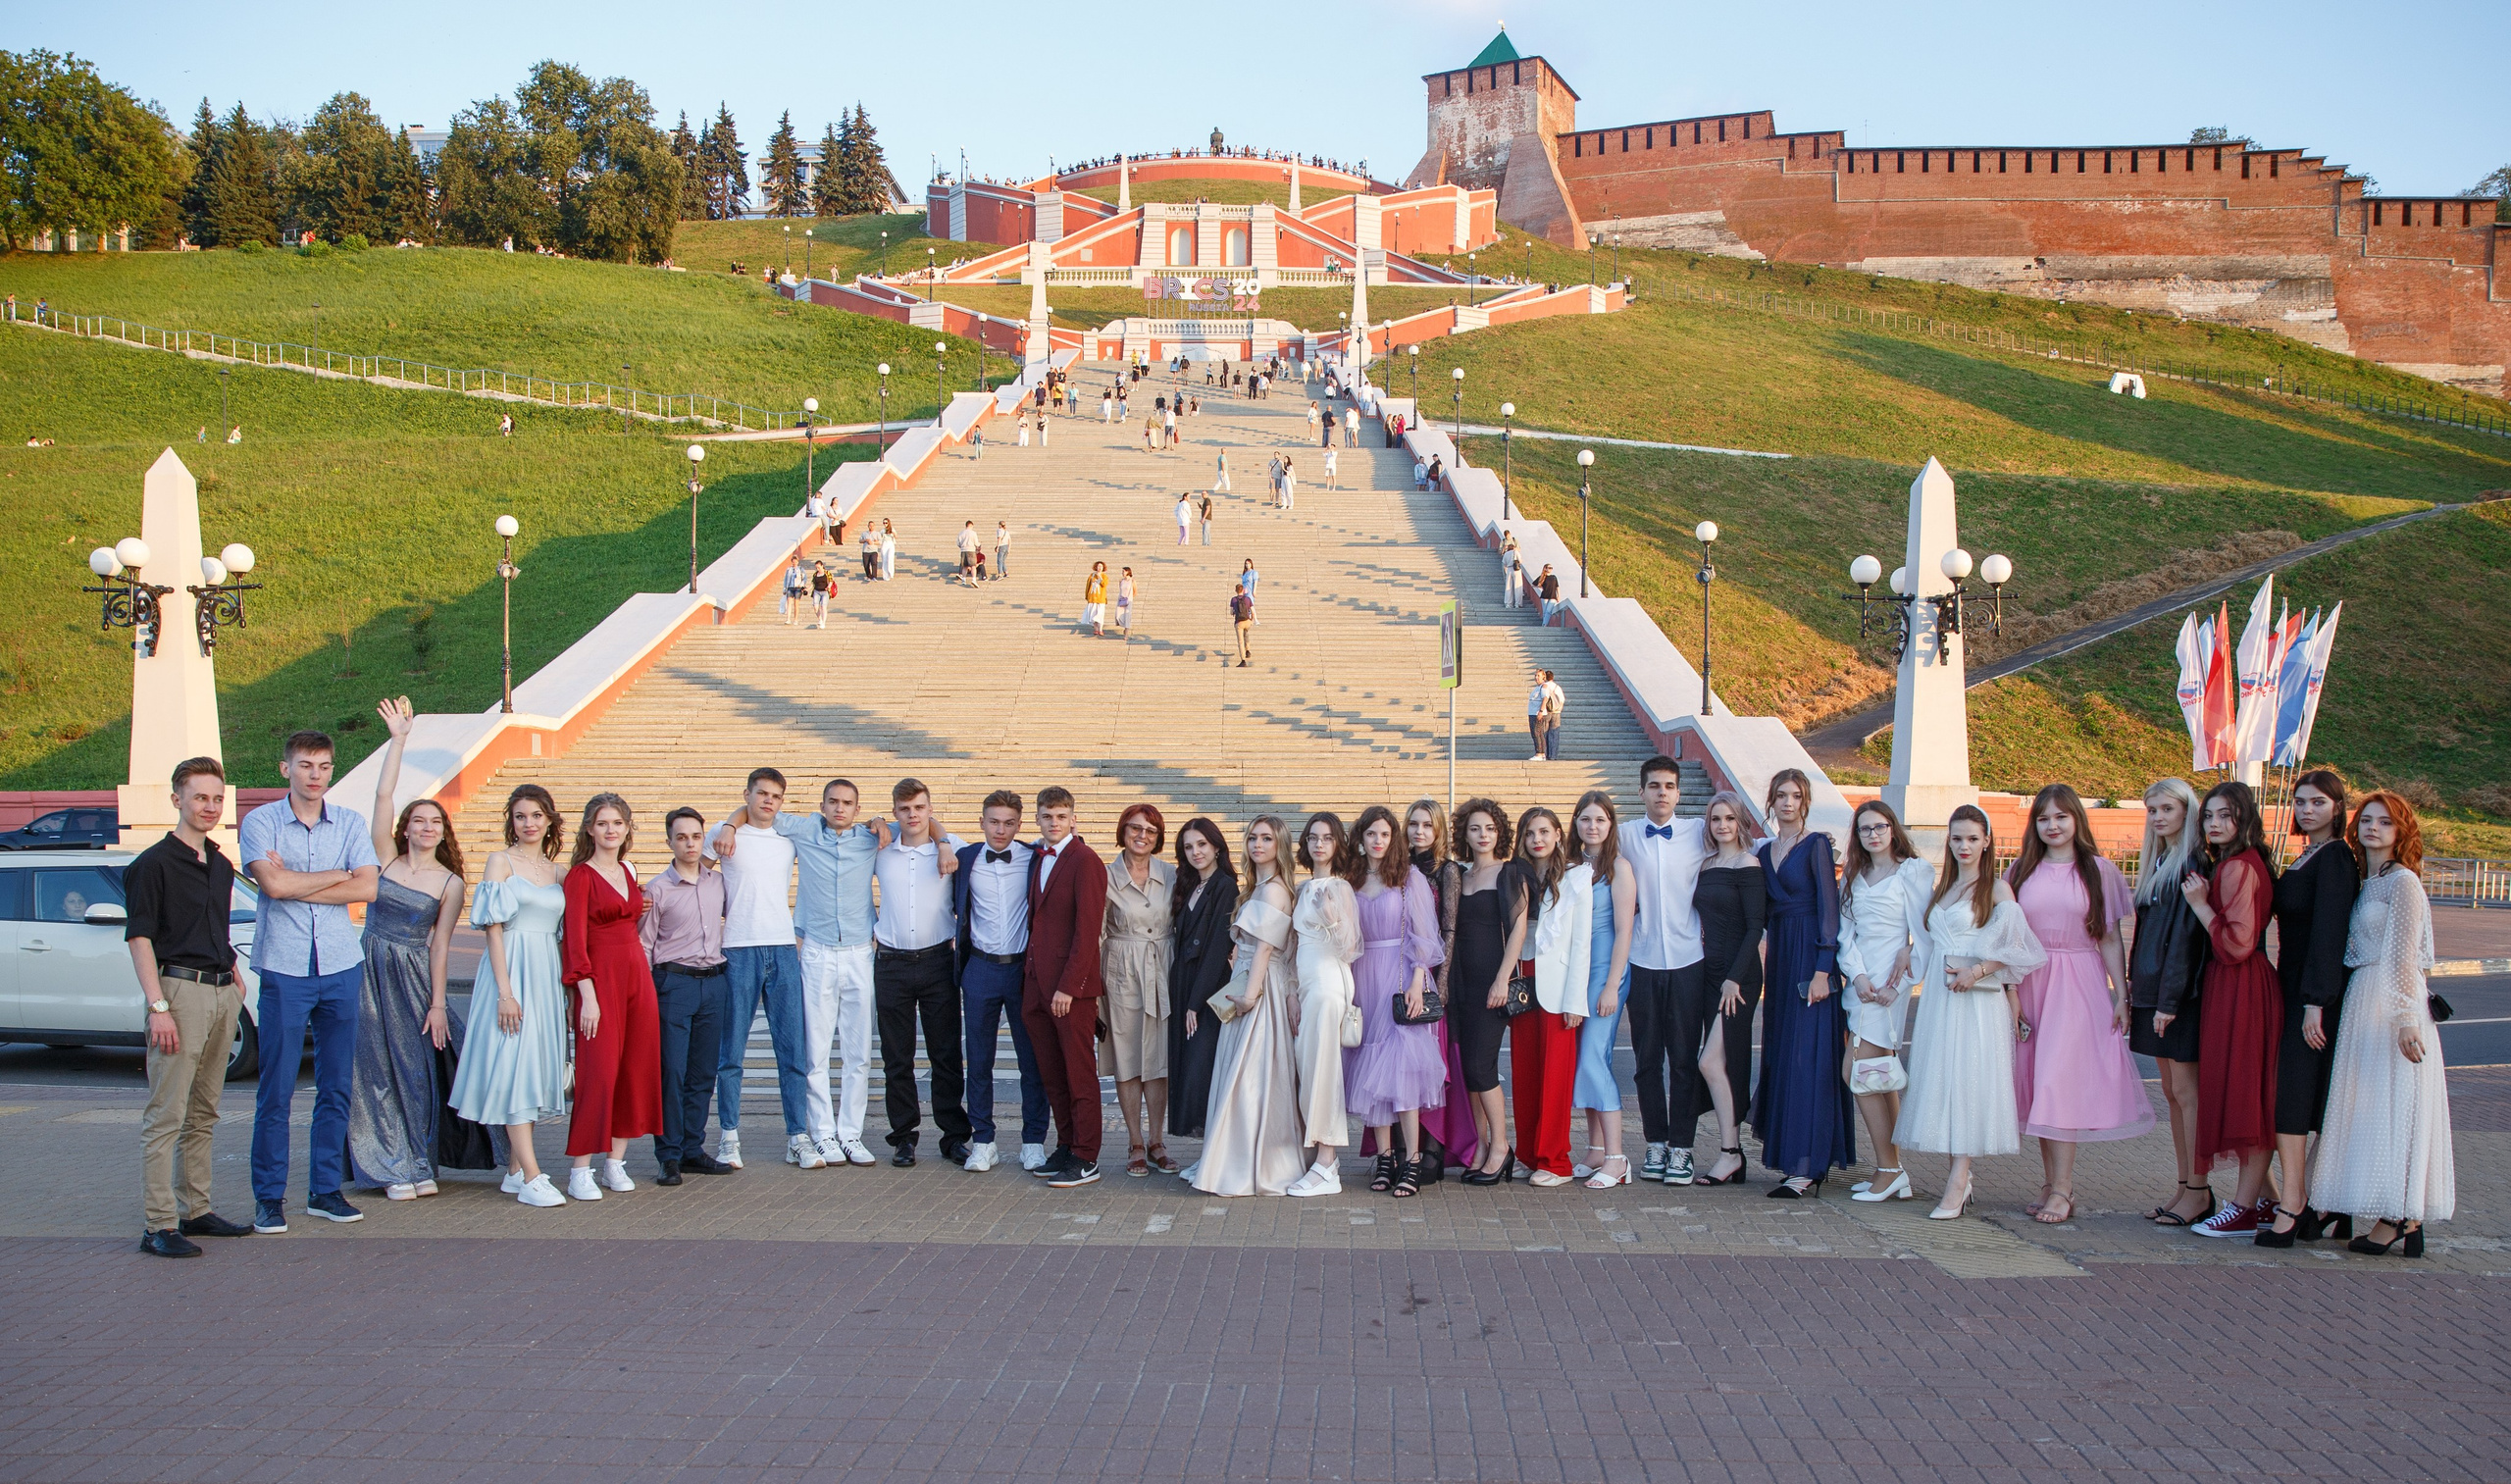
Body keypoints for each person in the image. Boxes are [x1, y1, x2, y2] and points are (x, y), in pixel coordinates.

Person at [238, 730, 381, 1234]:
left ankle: (325, 1191)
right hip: (284, 965)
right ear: (286, 769)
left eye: (323, 766)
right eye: (305, 765)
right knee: (276, 1089)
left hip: (340, 964)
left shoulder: (350, 822)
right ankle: (269, 1198)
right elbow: (273, 885)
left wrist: (299, 882)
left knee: (336, 1086)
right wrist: (337, 874)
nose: (315, 775)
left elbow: (368, 887)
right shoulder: (261, 822)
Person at [715, 776, 895, 1168]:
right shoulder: (803, 828)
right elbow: (756, 810)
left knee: (858, 1053)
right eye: (833, 801)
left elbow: (921, 824)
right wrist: (729, 824)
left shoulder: (870, 837)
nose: (839, 808)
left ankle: (851, 1134)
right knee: (814, 1051)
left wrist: (887, 823)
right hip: (815, 951)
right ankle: (822, 1134)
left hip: (859, 952)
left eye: (847, 803)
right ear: (822, 804)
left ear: (857, 809)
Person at [351, 697, 487, 1203]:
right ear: (405, 828)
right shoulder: (385, 859)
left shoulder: (449, 883)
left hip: (412, 978)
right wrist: (399, 740)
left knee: (414, 1073)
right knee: (373, 1073)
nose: (428, 828)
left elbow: (441, 946)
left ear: (442, 832)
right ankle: (388, 1167)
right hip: (368, 970)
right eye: (420, 820)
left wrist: (437, 1004)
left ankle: (418, 1161)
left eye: (436, 822)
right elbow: (383, 795)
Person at [2311, 791, 2455, 1257]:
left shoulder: (2403, 883)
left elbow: (2407, 958)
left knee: (2396, 1106)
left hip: (2393, 1004)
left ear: (2401, 832)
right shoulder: (2370, 881)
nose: (2374, 828)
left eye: (2386, 822)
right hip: (2363, 998)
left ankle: (2400, 1216)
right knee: (2367, 1109)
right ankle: (2386, 1212)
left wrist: (2406, 1019)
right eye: (2368, 820)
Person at [2005, 784, 2147, 1224]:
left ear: (2076, 820)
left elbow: (2109, 938)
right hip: (2031, 980)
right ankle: (2050, 1182)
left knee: (2058, 1084)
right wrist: (2009, 989)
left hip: (2077, 984)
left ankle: (2063, 1189)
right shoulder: (2019, 871)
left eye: (2061, 817)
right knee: (2037, 1084)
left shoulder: (2099, 871)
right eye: (2043, 818)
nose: (2052, 826)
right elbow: (2006, 935)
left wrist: (2121, 995)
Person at [1896, 804, 2045, 1218]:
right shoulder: (1943, 888)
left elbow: (2019, 948)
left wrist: (1976, 971)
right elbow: (1930, 941)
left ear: (1987, 841)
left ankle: (1958, 1180)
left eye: (1973, 838)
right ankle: (1959, 1174)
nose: (1964, 846)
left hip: (1977, 999)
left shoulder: (1997, 890)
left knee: (1968, 1081)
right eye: (1957, 838)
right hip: (1940, 998)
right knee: (1945, 1079)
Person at [128, 757, 251, 1256]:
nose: (210, 806)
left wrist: (234, 973)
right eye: (200, 797)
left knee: (204, 1112)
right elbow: (139, 938)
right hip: (178, 993)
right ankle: (158, 1225)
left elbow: (214, 925)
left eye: (217, 798)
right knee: (167, 1115)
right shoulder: (152, 865)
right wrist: (157, 1005)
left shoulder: (219, 864)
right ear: (176, 800)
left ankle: (195, 1210)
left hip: (223, 993)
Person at [450, 785, 571, 1206]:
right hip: (510, 971)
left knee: (533, 1066)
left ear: (549, 820)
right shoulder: (500, 861)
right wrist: (505, 992)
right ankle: (534, 1177)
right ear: (512, 822)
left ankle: (516, 1171)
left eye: (536, 815)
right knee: (514, 1063)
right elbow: (493, 929)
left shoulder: (558, 872)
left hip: (546, 974)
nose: (529, 823)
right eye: (521, 816)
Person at [2260, 768, 2360, 1246]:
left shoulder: (2336, 856)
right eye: (2300, 802)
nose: (2306, 810)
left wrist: (2315, 1002)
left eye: (2318, 802)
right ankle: (2323, 1201)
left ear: (2338, 808)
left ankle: (2295, 1202)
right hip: (2294, 984)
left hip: (2314, 993)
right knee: (2298, 1096)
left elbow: (2329, 933)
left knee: (2295, 1098)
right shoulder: (2310, 853)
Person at [2181, 780, 2280, 1237]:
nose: (2215, 823)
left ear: (2244, 818)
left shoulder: (2238, 866)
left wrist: (2200, 905)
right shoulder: (2243, 861)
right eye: (2209, 816)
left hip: (2241, 984)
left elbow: (2236, 945)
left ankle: (2244, 1208)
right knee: (2247, 1092)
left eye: (2225, 815)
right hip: (2240, 984)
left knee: (2245, 1096)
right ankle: (2265, 1200)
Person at [1189, 816, 1306, 1197]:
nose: (1258, 844)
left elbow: (1266, 950)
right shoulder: (1260, 888)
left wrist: (1250, 996)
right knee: (1244, 1073)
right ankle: (1231, 1157)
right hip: (1249, 980)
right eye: (1253, 838)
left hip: (1260, 989)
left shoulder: (1273, 890)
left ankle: (1246, 1163)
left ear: (1279, 844)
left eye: (1267, 839)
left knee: (1251, 1075)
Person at [560, 794, 663, 1202]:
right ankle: (579, 1169)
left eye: (617, 823)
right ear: (589, 828)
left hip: (637, 974)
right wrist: (586, 995)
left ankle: (615, 1162)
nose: (610, 830)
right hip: (599, 979)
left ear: (627, 828)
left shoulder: (628, 869)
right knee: (598, 1073)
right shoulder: (580, 876)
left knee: (635, 1068)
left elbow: (631, 922)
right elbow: (575, 940)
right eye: (602, 823)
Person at [1753, 769, 1850, 1197]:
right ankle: (1792, 1157)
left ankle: (1807, 1165)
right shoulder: (1764, 851)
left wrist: (1824, 970)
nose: (1788, 803)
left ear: (1805, 802)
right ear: (1771, 801)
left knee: (1808, 1060)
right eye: (1781, 795)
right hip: (1780, 959)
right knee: (1783, 1055)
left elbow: (1830, 909)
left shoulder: (1816, 846)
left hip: (1811, 959)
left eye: (1795, 796)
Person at [1342, 805, 1446, 1198]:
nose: (1378, 840)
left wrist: (1418, 982)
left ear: (1394, 838)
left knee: (1400, 1068)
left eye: (1385, 834)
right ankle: (1384, 1159)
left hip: (1399, 978)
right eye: (1371, 833)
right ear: (1360, 837)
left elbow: (1425, 935)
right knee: (1371, 1066)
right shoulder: (1349, 879)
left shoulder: (1408, 878)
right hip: (1362, 976)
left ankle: (1412, 1159)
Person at [873, 779, 975, 1167]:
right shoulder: (880, 848)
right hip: (892, 963)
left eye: (919, 808)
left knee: (945, 1055)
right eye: (904, 809)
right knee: (896, 1057)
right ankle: (903, 1138)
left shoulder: (953, 847)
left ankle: (954, 1137)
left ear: (930, 809)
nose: (912, 815)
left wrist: (943, 841)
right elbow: (862, 826)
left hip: (937, 962)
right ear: (895, 813)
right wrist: (874, 821)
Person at [1834, 799, 1930, 1203]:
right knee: (1879, 1075)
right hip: (1860, 985)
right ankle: (1892, 1169)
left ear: (1893, 829)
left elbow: (1924, 935)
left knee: (1857, 1072)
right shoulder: (1854, 875)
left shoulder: (1912, 872)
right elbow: (1845, 934)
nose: (1872, 835)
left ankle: (1890, 1170)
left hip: (1890, 987)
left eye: (1879, 827)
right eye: (1864, 829)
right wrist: (1856, 976)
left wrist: (1901, 983)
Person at [1622, 756, 1712, 1184]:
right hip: (1641, 961)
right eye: (1654, 785)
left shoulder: (1698, 831)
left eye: (1669, 786)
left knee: (1683, 1060)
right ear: (1641, 791)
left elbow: (1746, 844)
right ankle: (1655, 1142)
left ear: (1679, 793)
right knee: (1646, 1061)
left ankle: (1682, 1148)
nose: (1662, 793)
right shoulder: (1624, 834)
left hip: (1688, 961)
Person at [2130, 777, 2213, 1227]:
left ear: (2187, 811)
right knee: (2172, 1092)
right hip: (2155, 991)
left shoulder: (2192, 863)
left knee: (2186, 1092)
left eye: (2167, 809)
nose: (2158, 817)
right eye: (2152, 810)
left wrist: (2168, 1001)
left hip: (2176, 997)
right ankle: (2184, 1186)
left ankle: (2198, 1190)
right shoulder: (2161, 860)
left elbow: (2185, 939)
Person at [951, 791, 1048, 1172]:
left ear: (1020, 825)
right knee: (978, 1060)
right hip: (980, 968)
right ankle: (983, 1141)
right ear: (981, 822)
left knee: (1032, 1061)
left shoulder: (1034, 858)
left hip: (1023, 970)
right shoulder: (965, 858)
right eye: (994, 822)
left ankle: (1034, 1141)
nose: (1000, 830)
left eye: (1009, 823)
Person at [1021, 787, 1110, 1187]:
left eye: (1060, 816)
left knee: (1079, 1074)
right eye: (1047, 816)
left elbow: (1088, 931)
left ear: (1073, 819)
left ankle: (1087, 1155)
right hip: (1036, 986)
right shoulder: (1037, 857)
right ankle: (1066, 1144)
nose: (1053, 823)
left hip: (1070, 991)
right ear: (1037, 820)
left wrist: (1069, 987)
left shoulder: (1085, 860)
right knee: (1053, 1075)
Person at [641, 809, 733, 1184]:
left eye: (696, 836)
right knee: (672, 1072)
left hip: (714, 983)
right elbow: (645, 944)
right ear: (669, 842)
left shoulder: (718, 883)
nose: (690, 843)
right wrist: (647, 993)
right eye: (681, 837)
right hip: (673, 984)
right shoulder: (656, 890)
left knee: (703, 1072)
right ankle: (669, 1155)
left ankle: (693, 1149)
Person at [1441, 798, 1530, 1186]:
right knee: (1467, 1069)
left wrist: (1502, 979)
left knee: (1482, 1067)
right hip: (1461, 982)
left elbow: (1519, 929)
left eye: (1490, 828)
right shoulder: (1459, 875)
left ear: (1500, 833)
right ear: (1464, 833)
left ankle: (1501, 1146)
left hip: (1493, 983)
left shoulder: (1510, 873)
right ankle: (1479, 1146)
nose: (1482, 835)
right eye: (1475, 828)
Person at [1690, 792, 1765, 1188]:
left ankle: (1731, 1153)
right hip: (1709, 972)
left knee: (1712, 1062)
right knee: (1716, 1063)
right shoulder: (1706, 864)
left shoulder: (1748, 864)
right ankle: (1730, 1152)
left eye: (1729, 819)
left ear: (1740, 823)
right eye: (1716, 819)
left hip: (1738, 978)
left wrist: (1735, 978)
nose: (1722, 826)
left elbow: (1755, 927)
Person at [1286, 814, 1361, 1196]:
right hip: (1306, 985)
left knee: (1324, 1070)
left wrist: (1332, 918)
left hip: (1330, 984)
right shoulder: (1301, 889)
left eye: (1327, 838)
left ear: (1337, 845)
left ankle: (1327, 1162)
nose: (1319, 844)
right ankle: (1316, 1155)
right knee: (1307, 1069)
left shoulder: (1340, 887)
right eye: (1313, 838)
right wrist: (1291, 991)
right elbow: (1293, 946)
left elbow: (1350, 948)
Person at [1566, 792, 1638, 1189]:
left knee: (1595, 1058)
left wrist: (1612, 985)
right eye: (1585, 819)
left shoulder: (1619, 868)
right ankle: (1594, 1150)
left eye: (1600, 820)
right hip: (1576, 973)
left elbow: (1625, 931)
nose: (1592, 826)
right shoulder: (1571, 865)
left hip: (1606, 972)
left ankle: (1616, 1158)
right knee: (1582, 1060)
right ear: (1575, 823)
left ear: (1611, 825)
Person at [1101, 805, 1177, 1177]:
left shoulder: (1172, 874)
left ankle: (1157, 1140)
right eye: (1135, 828)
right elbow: (1095, 930)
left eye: (1150, 830)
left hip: (1163, 968)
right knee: (1128, 1057)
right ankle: (1134, 1141)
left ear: (1158, 836)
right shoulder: (1106, 876)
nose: (1142, 836)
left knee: (1158, 1059)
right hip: (1122, 972)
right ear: (1123, 831)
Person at [1516, 806, 1584, 1188]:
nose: (1537, 839)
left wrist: (1576, 1000)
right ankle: (1528, 1154)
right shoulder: (1517, 875)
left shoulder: (1576, 876)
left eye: (1544, 831)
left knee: (1555, 1077)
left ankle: (1556, 1161)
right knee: (1525, 1072)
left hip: (1558, 986)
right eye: (1529, 833)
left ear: (1559, 834)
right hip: (1523, 980)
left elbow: (1581, 944)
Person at [1166, 819, 1240, 1144]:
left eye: (1201, 844)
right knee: (1186, 1067)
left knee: (1203, 1067)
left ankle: (1214, 1149)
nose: (1195, 852)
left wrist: (1195, 1003)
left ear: (1216, 847)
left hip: (1209, 988)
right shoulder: (1189, 885)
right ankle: (1206, 1152)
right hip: (1183, 981)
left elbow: (1217, 949)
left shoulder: (1225, 886)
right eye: (1188, 847)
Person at [1084, 562, 1109, 638]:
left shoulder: (1104, 576)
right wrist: (1087, 596)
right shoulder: (1091, 575)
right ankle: (1096, 629)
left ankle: (1100, 629)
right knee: (1093, 614)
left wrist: (1099, 577)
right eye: (1098, 566)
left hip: (1101, 598)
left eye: (1101, 566)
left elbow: (1104, 584)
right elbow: (1088, 586)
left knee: (1100, 614)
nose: (1099, 568)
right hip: (1092, 598)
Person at [782, 556, 806, 625]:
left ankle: (796, 620)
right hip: (790, 587)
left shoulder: (801, 569)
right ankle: (788, 619)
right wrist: (784, 588)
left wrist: (801, 584)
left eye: (795, 562)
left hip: (798, 588)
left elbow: (805, 578)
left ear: (798, 562)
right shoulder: (789, 569)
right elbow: (786, 579)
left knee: (796, 604)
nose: (794, 563)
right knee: (789, 603)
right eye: (793, 562)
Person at [1501, 534, 1523, 608]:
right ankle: (1518, 603)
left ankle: (1508, 603)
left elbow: (1504, 563)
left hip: (1509, 569)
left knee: (1508, 587)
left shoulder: (1506, 554)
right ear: (1513, 548)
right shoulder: (1516, 552)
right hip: (1516, 569)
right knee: (1518, 587)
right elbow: (1520, 561)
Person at [1115, 567, 1137, 640]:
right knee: (1118, 615)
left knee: (1127, 616)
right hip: (1121, 600)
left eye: (1124, 571)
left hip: (1128, 601)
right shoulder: (1121, 581)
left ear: (1128, 572)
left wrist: (1129, 598)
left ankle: (1126, 634)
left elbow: (1135, 591)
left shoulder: (1132, 581)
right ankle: (1124, 627)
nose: (1122, 573)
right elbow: (1120, 589)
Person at [809, 561, 833, 627]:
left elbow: (831, 581)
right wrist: (807, 589)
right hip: (816, 591)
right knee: (815, 607)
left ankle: (823, 622)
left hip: (824, 592)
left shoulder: (827, 573)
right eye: (816, 568)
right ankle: (820, 619)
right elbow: (812, 583)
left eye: (818, 567)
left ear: (822, 566)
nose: (817, 569)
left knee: (823, 607)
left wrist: (828, 587)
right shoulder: (815, 574)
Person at [957, 522, 981, 587]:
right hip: (971, 550)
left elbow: (958, 543)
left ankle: (963, 580)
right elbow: (976, 543)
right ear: (971, 526)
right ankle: (974, 580)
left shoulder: (961, 533)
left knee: (965, 566)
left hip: (963, 550)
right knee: (973, 566)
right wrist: (979, 544)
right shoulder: (973, 533)